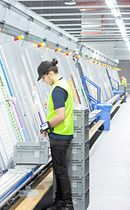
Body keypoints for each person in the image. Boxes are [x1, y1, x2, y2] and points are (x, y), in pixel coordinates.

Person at [37, 59, 74, 210]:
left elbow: (60, 116)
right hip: (64, 133)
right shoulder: (64, 84)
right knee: (59, 169)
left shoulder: (57, 90)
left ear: (50, 74)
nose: (44, 81)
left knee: (60, 170)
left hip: (60, 135)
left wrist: (46, 126)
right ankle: (60, 202)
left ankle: (67, 203)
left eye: (44, 78)